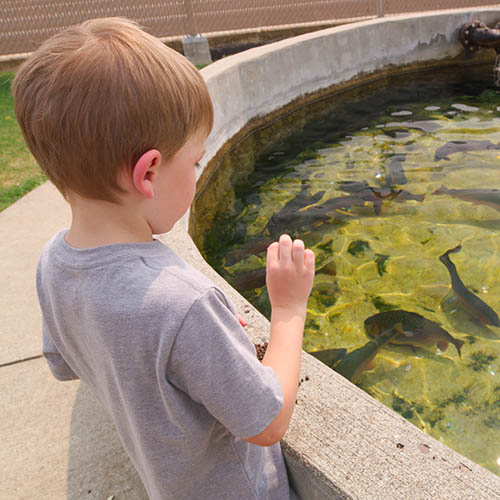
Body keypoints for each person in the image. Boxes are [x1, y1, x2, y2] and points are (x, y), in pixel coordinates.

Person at [12, 17, 315, 500]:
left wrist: (196, 352)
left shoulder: (53, 263)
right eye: (194, 161)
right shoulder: (182, 303)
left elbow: (66, 362)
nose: (198, 173)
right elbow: (267, 421)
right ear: (148, 172)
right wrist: (288, 309)